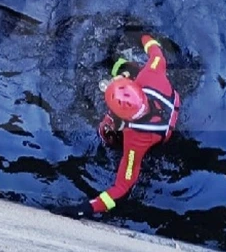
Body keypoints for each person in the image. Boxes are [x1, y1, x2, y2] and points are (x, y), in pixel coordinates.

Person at [55, 34, 181, 218]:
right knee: (125, 67)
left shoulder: (135, 141)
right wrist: (144, 37)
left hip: (157, 136)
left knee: (105, 132)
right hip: (170, 107)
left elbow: (122, 187)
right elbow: (156, 54)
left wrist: (86, 208)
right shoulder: (151, 74)